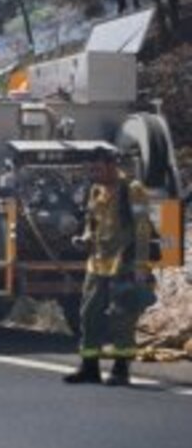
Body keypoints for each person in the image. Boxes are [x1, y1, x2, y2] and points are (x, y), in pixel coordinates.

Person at [64, 147, 156, 387]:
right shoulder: (95, 190)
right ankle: (89, 368)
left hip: (123, 263)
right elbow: (91, 223)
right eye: (91, 169)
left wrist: (141, 264)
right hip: (97, 263)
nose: (93, 174)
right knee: (89, 315)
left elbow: (142, 228)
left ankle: (121, 369)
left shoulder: (133, 190)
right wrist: (85, 238)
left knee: (121, 317)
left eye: (97, 169)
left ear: (112, 166)